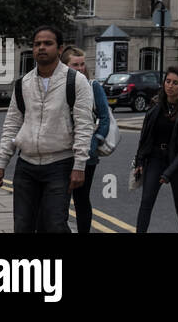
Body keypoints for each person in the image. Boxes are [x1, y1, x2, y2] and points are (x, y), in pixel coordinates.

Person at [0, 26, 94, 233]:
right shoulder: (23, 84)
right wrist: (1, 163)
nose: (41, 48)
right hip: (26, 165)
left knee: (54, 225)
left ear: (59, 48)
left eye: (48, 43)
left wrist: (79, 165)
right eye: (37, 44)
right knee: (22, 226)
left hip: (59, 165)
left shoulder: (76, 81)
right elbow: (12, 124)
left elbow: (84, 125)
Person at [132, 66, 178, 233]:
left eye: (175, 83)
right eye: (168, 81)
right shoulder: (156, 103)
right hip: (156, 158)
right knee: (146, 203)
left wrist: (169, 172)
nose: (170, 86)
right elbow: (145, 135)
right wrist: (140, 160)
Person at [60, 47, 111, 234]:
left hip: (86, 155)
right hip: (62, 152)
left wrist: (94, 143)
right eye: (75, 64)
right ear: (65, 66)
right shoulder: (60, 86)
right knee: (60, 200)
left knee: (81, 199)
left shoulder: (92, 86)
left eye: (82, 64)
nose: (80, 68)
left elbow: (105, 118)